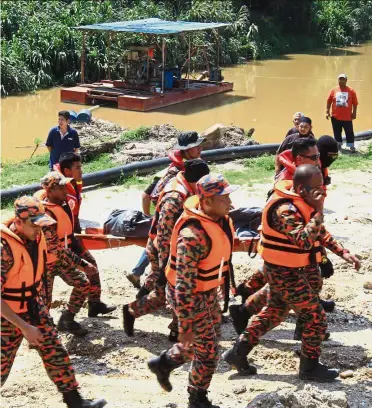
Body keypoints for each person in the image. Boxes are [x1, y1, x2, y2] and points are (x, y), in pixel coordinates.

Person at [223, 165, 361, 382]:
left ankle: (236, 354)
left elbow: (319, 233)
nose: (321, 192)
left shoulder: (303, 203)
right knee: (315, 318)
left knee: (274, 314)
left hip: (292, 270)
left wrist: (342, 252)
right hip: (284, 273)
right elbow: (304, 241)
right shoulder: (285, 209)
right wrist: (319, 211)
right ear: (300, 188)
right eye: (316, 188)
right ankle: (309, 368)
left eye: (322, 186)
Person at [147, 174, 255, 408]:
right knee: (209, 352)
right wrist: (184, 326)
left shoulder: (217, 219)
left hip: (205, 292)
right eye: (223, 197)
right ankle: (197, 398)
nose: (230, 203)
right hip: (189, 296)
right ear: (206, 202)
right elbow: (183, 287)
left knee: (205, 343)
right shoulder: (192, 237)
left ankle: (163, 363)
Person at [1, 196, 106, 408]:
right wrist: (24, 327)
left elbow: (57, 251)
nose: (39, 230)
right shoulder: (3, 248)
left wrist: (81, 264)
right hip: (8, 316)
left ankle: (75, 402)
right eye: (34, 225)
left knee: (55, 351)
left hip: (33, 305)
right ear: (18, 222)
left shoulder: (40, 233)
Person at [123, 159, 210, 342]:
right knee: (180, 291)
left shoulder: (188, 189)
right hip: (165, 250)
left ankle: (132, 310)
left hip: (178, 248)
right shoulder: (175, 198)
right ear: (195, 181)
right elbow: (163, 235)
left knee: (164, 292)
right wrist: (166, 265)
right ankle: (176, 330)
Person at [35, 172, 115, 336]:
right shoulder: (45, 215)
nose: (67, 189)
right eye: (61, 187)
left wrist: (81, 254)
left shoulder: (62, 204)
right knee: (44, 301)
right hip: (45, 264)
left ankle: (67, 319)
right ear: (50, 190)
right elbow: (55, 248)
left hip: (61, 258)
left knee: (82, 283)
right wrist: (82, 264)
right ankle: (39, 335)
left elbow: (69, 234)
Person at [126, 131, 205, 289]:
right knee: (161, 254)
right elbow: (146, 195)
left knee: (156, 249)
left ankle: (139, 278)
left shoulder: (192, 168)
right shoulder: (173, 173)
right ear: (187, 150)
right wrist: (150, 217)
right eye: (196, 146)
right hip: (169, 219)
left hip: (170, 220)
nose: (200, 149)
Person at [326, 74, 358, 152]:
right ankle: (338, 145)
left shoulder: (351, 90)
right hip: (335, 116)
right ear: (338, 80)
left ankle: (351, 146)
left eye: (343, 79)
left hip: (347, 117)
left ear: (346, 80)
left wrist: (354, 113)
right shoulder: (334, 90)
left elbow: (355, 103)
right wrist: (327, 111)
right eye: (340, 79)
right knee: (337, 131)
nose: (341, 81)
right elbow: (329, 101)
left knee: (349, 132)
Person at [53, 152, 83, 233]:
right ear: (66, 171)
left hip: (74, 223)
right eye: (78, 168)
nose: (81, 171)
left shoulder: (74, 182)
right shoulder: (57, 188)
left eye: (81, 167)